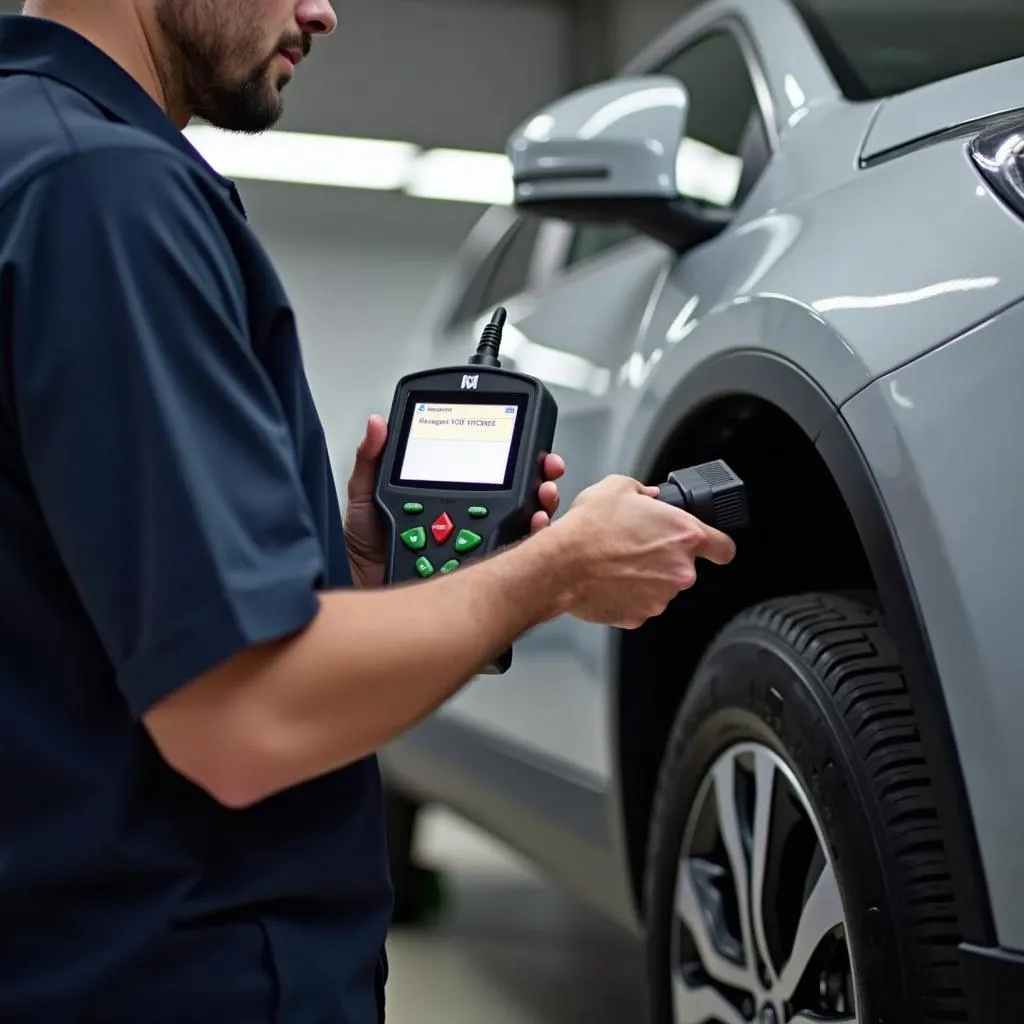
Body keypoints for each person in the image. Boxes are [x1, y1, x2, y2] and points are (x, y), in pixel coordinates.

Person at [0, 0, 737, 1021]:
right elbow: (241, 718)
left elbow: (60, 605)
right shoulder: (104, 189)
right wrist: (549, 571)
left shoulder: (29, 155)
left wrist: (350, 581)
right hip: (168, 969)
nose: (323, 10)